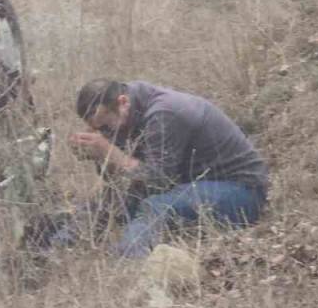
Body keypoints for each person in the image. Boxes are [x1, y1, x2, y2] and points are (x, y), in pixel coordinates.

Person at [54, 79, 268, 258]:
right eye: (99, 129)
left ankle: (129, 261)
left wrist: (107, 150)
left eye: (106, 126)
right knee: (115, 203)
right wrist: (97, 155)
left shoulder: (165, 113)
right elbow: (121, 179)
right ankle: (57, 246)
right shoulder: (128, 108)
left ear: (123, 102)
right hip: (194, 183)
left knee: (154, 207)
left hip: (242, 191)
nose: (106, 132)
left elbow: (159, 180)